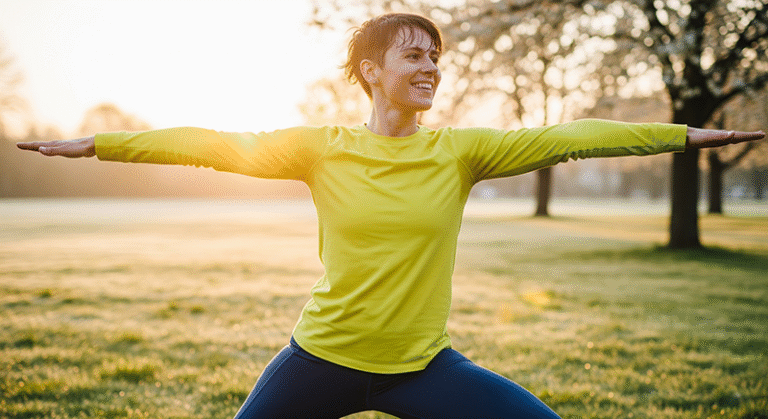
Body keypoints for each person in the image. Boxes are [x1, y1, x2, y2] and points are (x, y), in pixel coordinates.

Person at [18, 12, 765, 419]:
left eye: (436, 55)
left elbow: (573, 138)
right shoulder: (321, 149)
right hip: (319, 360)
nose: (432, 66)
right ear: (373, 72)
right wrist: (101, 143)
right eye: (414, 55)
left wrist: (689, 136)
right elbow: (213, 145)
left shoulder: (460, 152)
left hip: (423, 368)